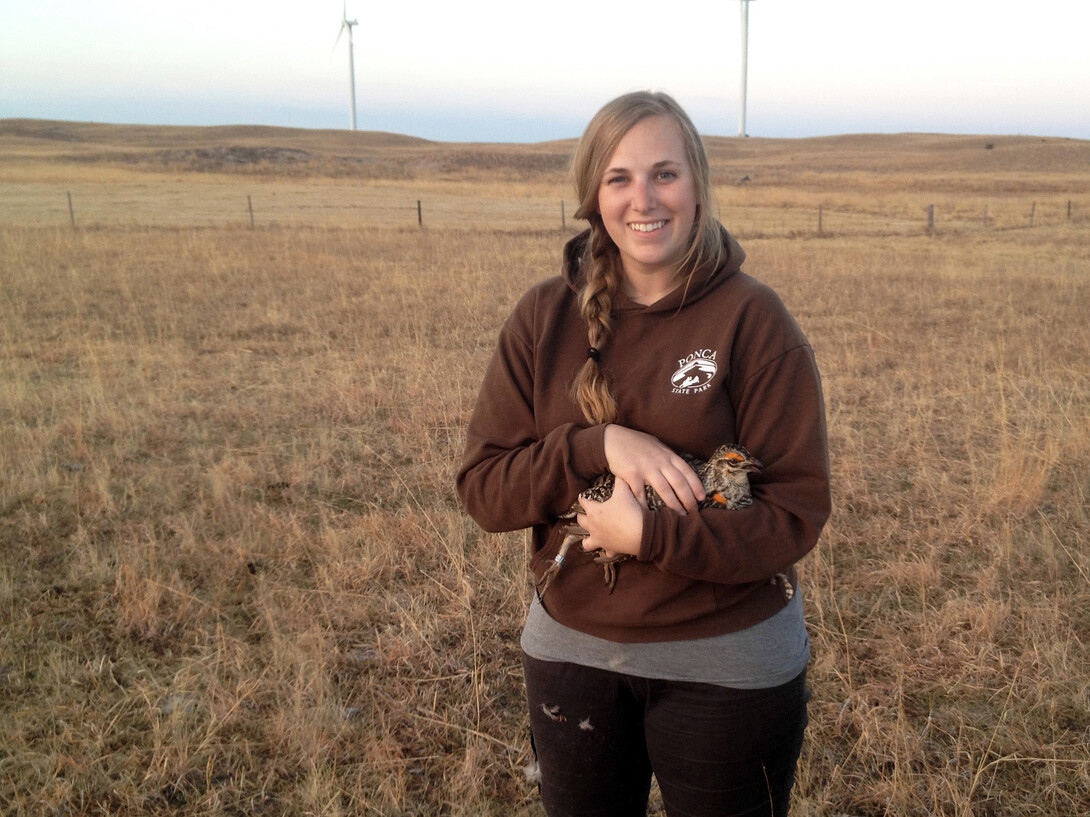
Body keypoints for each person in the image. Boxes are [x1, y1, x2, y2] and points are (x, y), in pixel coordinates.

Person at [456, 91, 831, 817]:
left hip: (728, 659)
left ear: (698, 185)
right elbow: (483, 488)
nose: (643, 198)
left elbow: (795, 511)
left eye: (665, 173)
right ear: (593, 197)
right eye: (620, 178)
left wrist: (650, 534)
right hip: (572, 654)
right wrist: (597, 444)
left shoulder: (753, 320)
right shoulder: (543, 318)